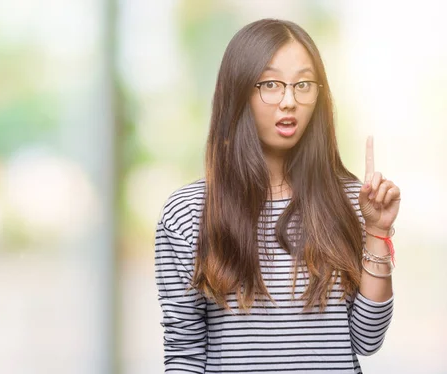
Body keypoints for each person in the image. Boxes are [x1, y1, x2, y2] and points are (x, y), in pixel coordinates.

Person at [154, 18, 401, 373]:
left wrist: (378, 232)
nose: (289, 101)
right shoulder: (189, 213)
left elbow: (367, 339)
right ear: (239, 92)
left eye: (303, 84)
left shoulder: (351, 200)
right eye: (270, 84)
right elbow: (185, 353)